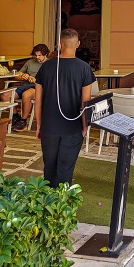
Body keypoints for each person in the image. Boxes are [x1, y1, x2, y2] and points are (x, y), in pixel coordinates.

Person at [35, 28, 94, 188]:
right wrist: (84, 126)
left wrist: (39, 124)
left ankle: (47, 203)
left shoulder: (45, 67)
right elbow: (85, 102)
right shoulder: (84, 68)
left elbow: (38, 100)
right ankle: (61, 207)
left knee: (50, 168)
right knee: (65, 169)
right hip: (72, 126)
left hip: (49, 125)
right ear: (78, 44)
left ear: (60, 44)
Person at [2, 44, 50, 131]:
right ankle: (16, 117)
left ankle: (23, 121)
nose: (37, 57)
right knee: (5, 95)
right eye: (35, 55)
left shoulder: (50, 64)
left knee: (26, 95)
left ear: (46, 54)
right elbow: (17, 75)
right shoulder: (30, 62)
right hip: (25, 85)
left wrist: (36, 81)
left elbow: (51, 81)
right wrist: (22, 76)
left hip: (39, 88)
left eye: (40, 55)